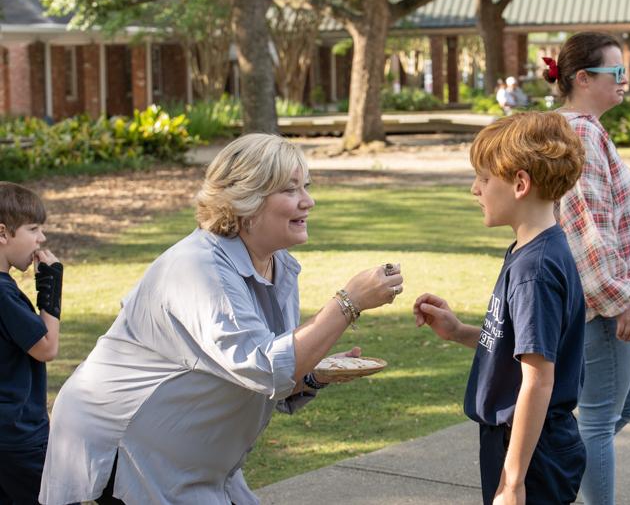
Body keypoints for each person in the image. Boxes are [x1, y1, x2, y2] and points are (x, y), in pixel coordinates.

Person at [38, 134, 404, 505]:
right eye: (290, 190)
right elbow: (262, 368)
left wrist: (312, 374)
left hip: (193, 461)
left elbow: (260, 370)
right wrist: (348, 303)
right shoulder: (198, 267)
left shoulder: (279, 266)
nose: (308, 201)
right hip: (128, 448)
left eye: (305, 187)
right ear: (247, 200)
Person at [414, 111, 587, 504]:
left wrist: (512, 482)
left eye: (484, 179)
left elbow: (538, 380)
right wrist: (459, 331)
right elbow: (523, 346)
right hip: (528, 442)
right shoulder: (536, 250)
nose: (475, 189)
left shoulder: (534, 270)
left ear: (520, 184)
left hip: (531, 448)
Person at [542, 32, 630, 505]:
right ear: (582, 78)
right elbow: (586, 225)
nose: (625, 80)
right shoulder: (581, 132)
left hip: (595, 294)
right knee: (597, 419)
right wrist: (617, 301)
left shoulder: (568, 127)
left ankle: (559, 454)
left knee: (626, 403)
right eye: (617, 72)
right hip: (599, 300)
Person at [0, 182, 64, 504]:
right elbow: (47, 348)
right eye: (34, 228)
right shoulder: (2, 293)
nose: (42, 239)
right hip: (18, 434)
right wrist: (51, 287)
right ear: (3, 234)